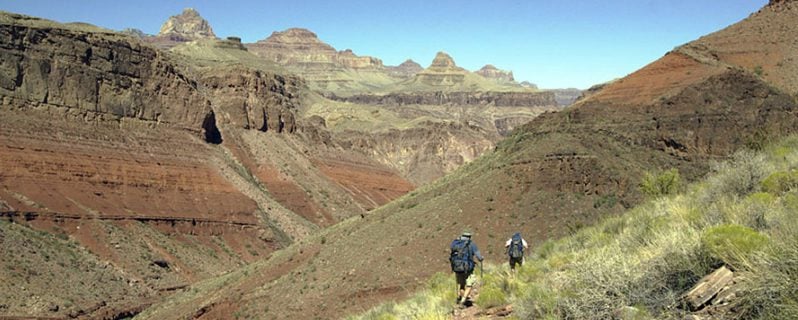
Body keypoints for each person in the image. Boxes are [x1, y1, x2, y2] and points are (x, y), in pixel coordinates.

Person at [449, 231, 483, 305]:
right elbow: (479, 256)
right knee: (469, 285)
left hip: (457, 268)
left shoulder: (456, 243)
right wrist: (481, 258)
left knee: (461, 285)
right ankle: (463, 301)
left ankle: (462, 298)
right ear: (469, 237)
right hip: (468, 269)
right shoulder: (471, 244)